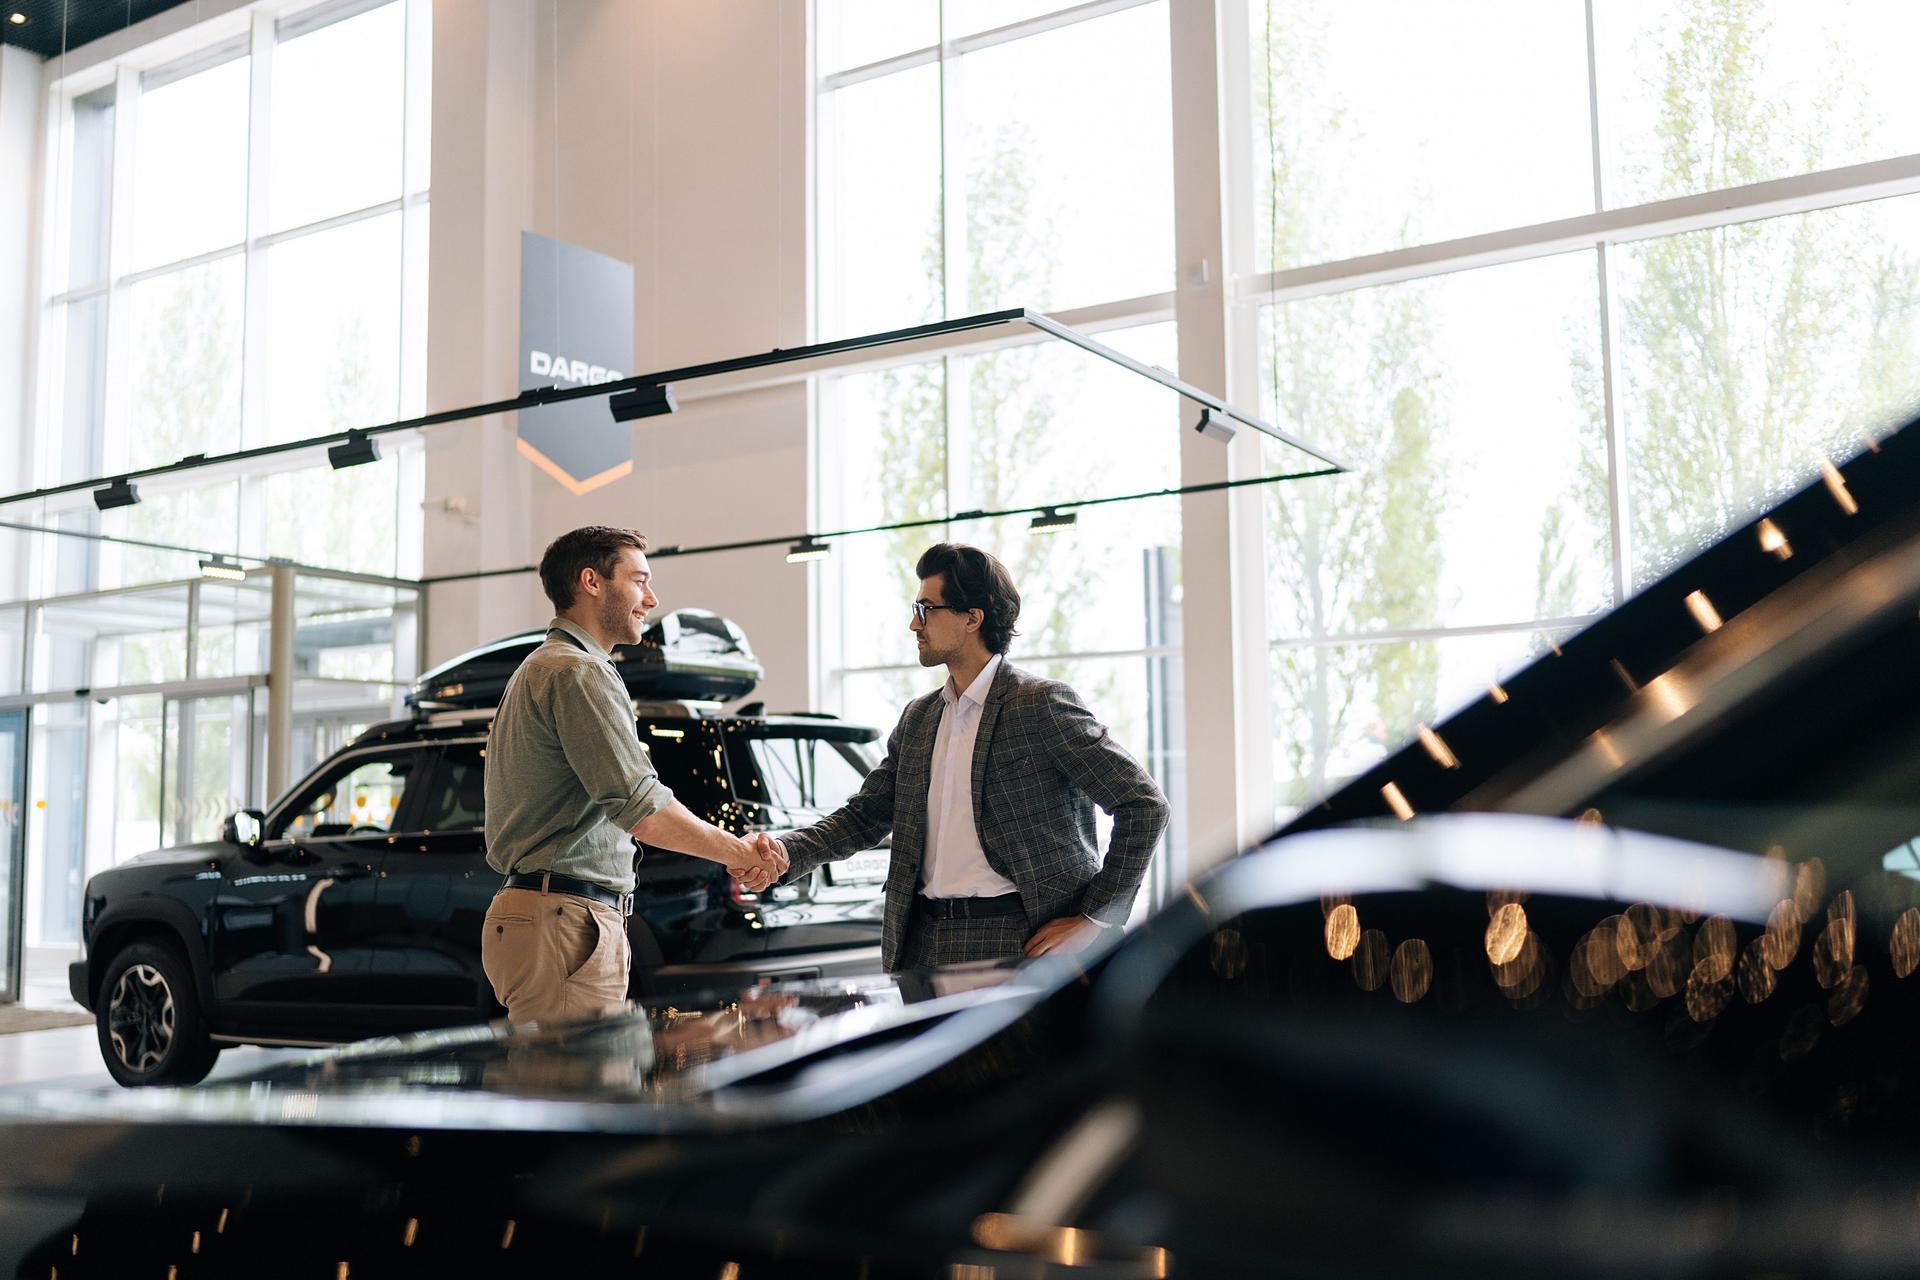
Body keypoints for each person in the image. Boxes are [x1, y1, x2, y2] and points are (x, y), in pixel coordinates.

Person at [768, 543, 1168, 970]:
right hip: (921, 941)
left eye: (926, 609)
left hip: (1019, 938)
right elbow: (865, 817)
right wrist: (784, 852)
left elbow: (1143, 805)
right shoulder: (919, 718)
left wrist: (1094, 918)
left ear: (972, 618)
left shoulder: (1040, 704)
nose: (912, 624)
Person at [482, 525, 786, 1023]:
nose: (651, 597)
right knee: (582, 1094)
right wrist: (737, 853)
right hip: (565, 920)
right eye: (639, 580)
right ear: (592, 582)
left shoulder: (544, 667)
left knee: (567, 1089)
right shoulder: (577, 671)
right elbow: (640, 806)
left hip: (553, 916)